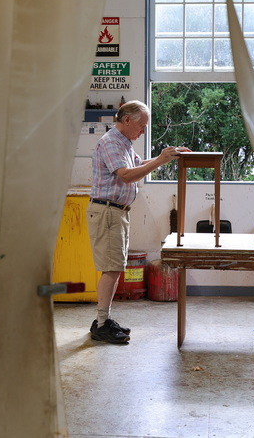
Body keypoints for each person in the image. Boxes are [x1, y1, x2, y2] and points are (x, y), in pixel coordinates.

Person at [87, 100, 188, 343]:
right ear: (127, 120)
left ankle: (104, 319)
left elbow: (137, 165)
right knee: (111, 269)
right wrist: (161, 160)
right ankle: (101, 324)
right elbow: (126, 176)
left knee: (115, 268)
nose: (143, 131)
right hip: (108, 212)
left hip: (116, 211)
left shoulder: (124, 143)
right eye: (142, 126)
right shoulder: (111, 142)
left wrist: (167, 156)